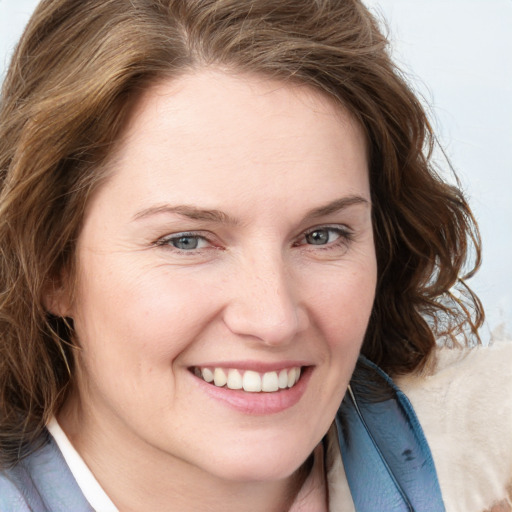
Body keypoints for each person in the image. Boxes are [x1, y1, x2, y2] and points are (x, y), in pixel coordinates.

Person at [0, 0, 510, 510]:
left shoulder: (491, 456)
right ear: (51, 265)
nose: (274, 320)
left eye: (322, 235)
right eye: (187, 241)